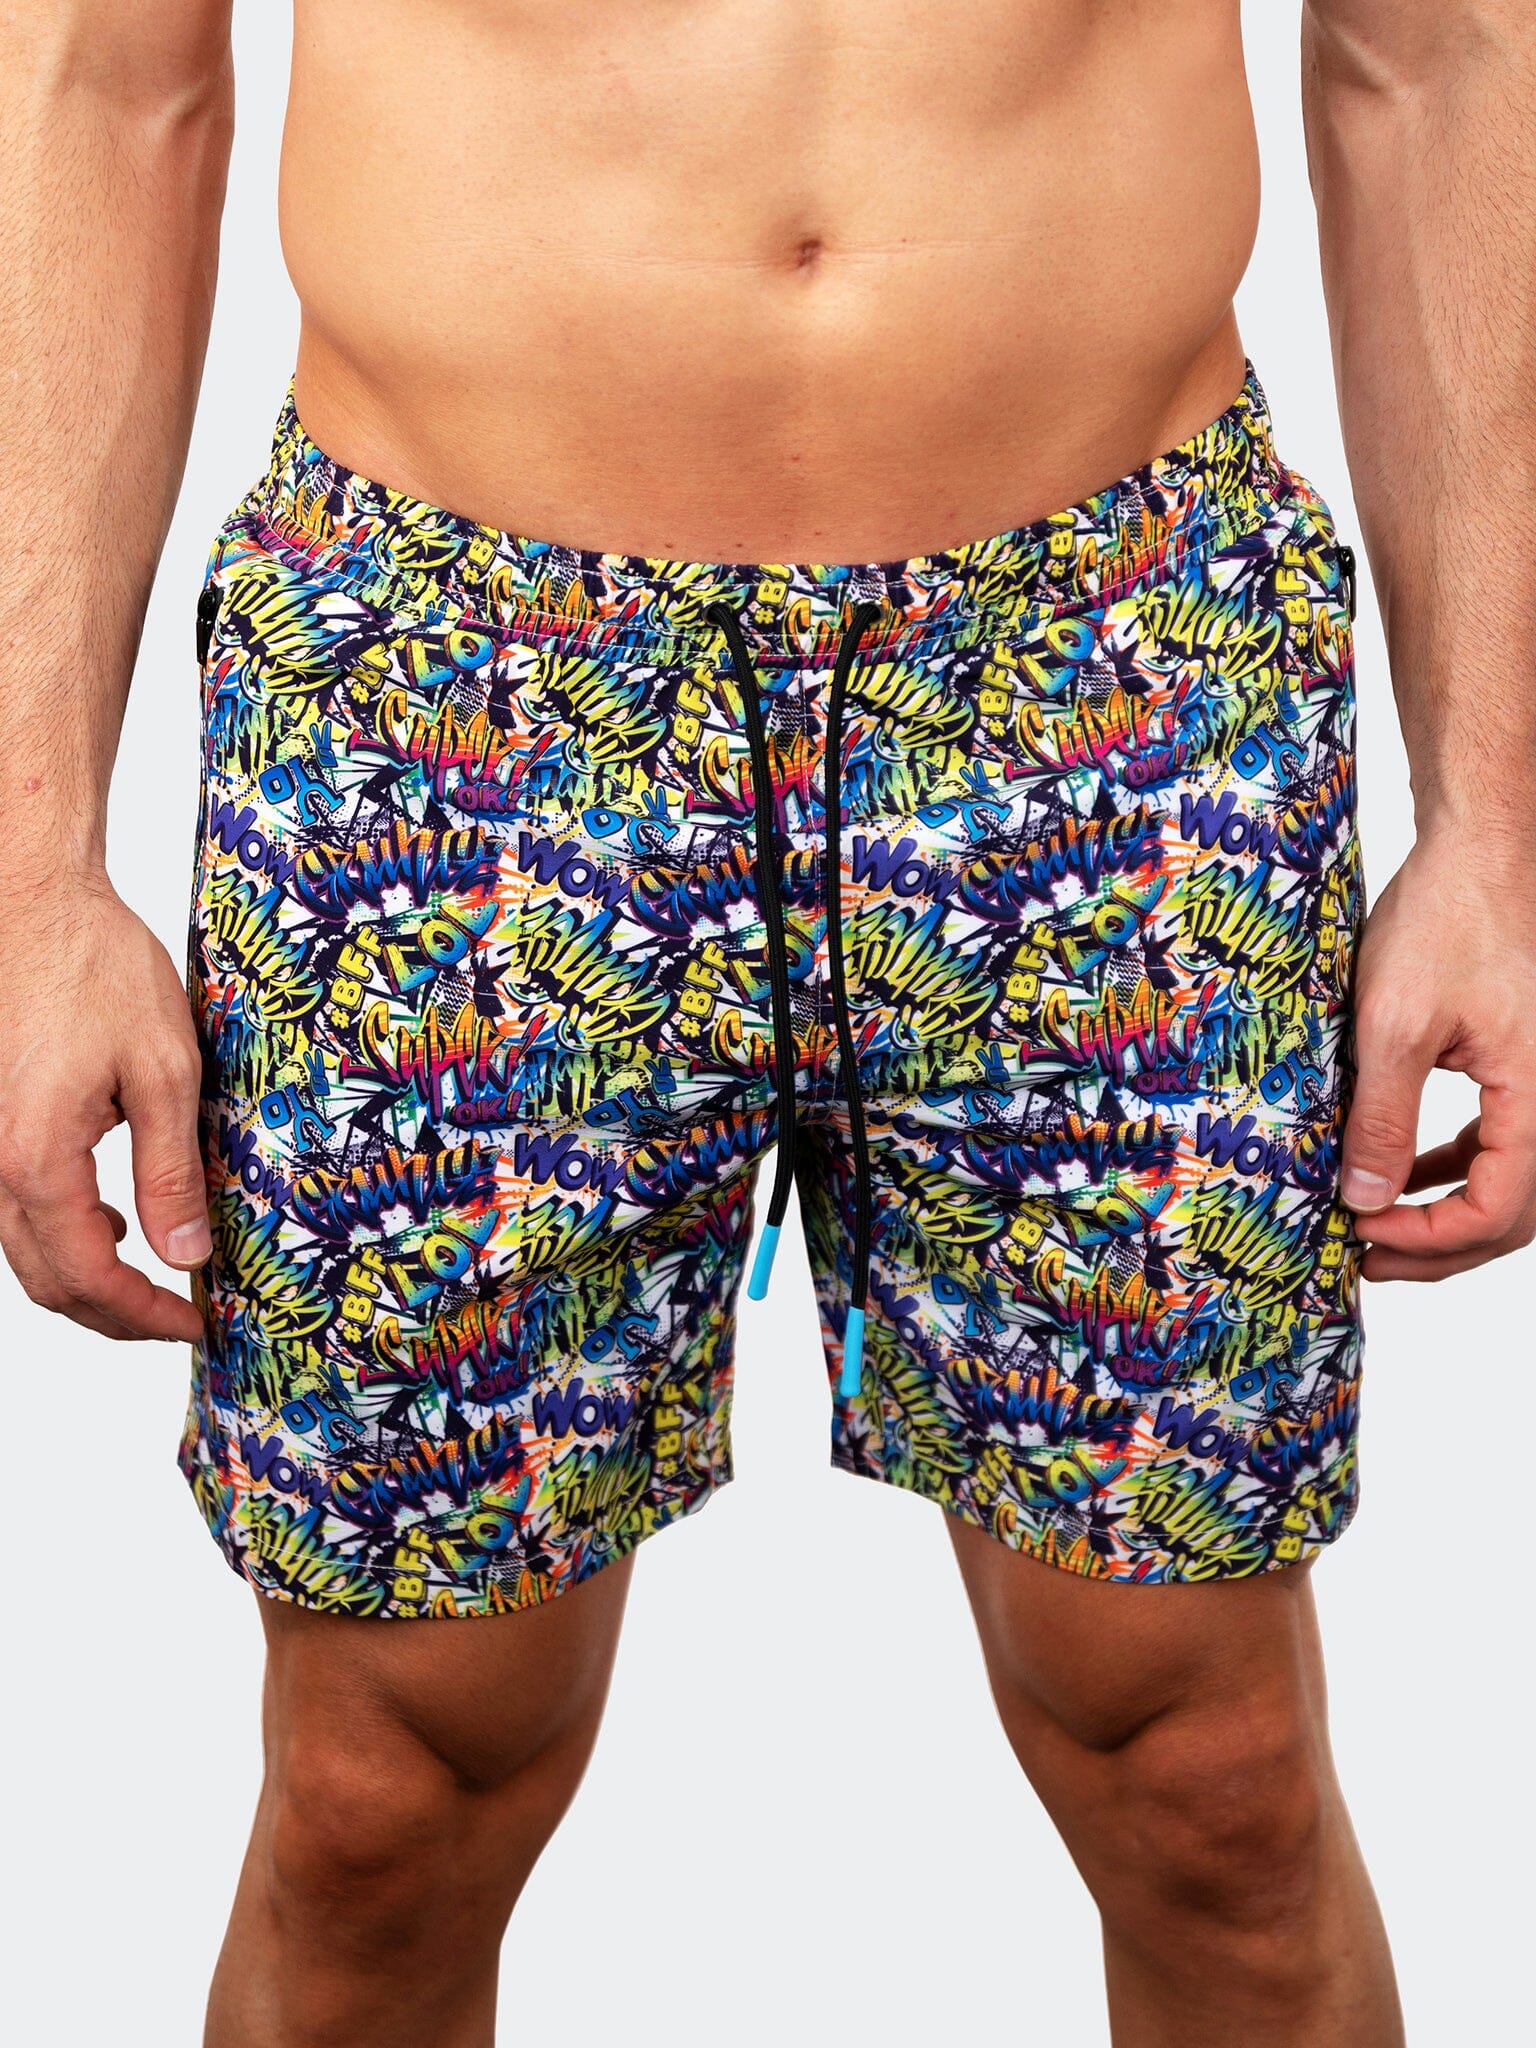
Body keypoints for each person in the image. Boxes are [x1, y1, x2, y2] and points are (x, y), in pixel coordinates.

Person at [2, 1, 1532, 2042]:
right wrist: (28, 871)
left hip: (1117, 662)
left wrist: (1499, 825)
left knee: (1209, 1775)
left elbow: (1439, 49)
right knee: (382, 1796)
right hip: (457, 695)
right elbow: (100, 68)